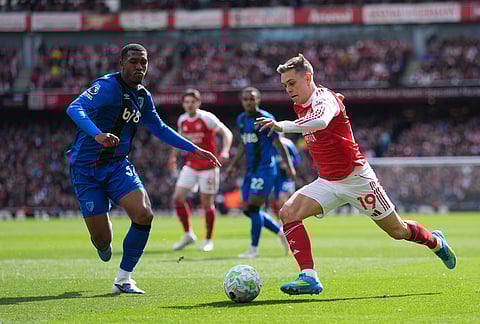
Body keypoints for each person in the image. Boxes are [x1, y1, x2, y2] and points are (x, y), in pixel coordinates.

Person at [256, 54, 457, 295]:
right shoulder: (300, 103)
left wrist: (283, 126)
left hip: (357, 180)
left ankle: (435, 241)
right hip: (328, 182)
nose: (288, 89)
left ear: (308, 77)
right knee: (288, 213)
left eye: (291, 83)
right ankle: (308, 276)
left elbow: (320, 121)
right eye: (285, 85)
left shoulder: (325, 99)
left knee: (398, 231)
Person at [66, 44, 219, 294]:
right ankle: (103, 240)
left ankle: (124, 279)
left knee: (144, 214)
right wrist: (97, 135)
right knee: (102, 242)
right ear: (122, 64)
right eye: (134, 62)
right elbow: (74, 108)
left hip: (117, 166)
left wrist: (193, 148)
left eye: (144, 63)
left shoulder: (142, 97)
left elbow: (159, 129)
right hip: (86, 169)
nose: (140, 67)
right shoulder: (106, 87)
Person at [225, 87, 296, 259]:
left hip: (265, 170)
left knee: (254, 207)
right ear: (242, 101)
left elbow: (278, 144)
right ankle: (280, 232)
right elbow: (243, 144)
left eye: (252, 99)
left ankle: (253, 249)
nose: (249, 102)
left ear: (258, 100)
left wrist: (289, 166)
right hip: (250, 172)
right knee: (247, 210)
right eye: (246, 99)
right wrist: (232, 165)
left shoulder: (265, 119)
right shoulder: (241, 119)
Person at [168, 89, 233, 252]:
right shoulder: (182, 120)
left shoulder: (207, 118)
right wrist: (173, 156)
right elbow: (180, 139)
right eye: (187, 102)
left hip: (208, 167)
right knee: (177, 198)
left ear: (198, 103)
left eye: (192, 102)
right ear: (183, 104)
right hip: (190, 165)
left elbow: (227, 133)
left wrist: (225, 150)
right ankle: (188, 234)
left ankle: (208, 240)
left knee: (206, 204)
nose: (189, 104)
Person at [270, 136, 301, 219]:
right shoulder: (269, 144)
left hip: (286, 177)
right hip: (273, 176)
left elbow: (297, 159)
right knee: (276, 202)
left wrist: (288, 165)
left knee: (283, 199)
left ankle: (288, 221)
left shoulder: (288, 143)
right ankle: (282, 222)